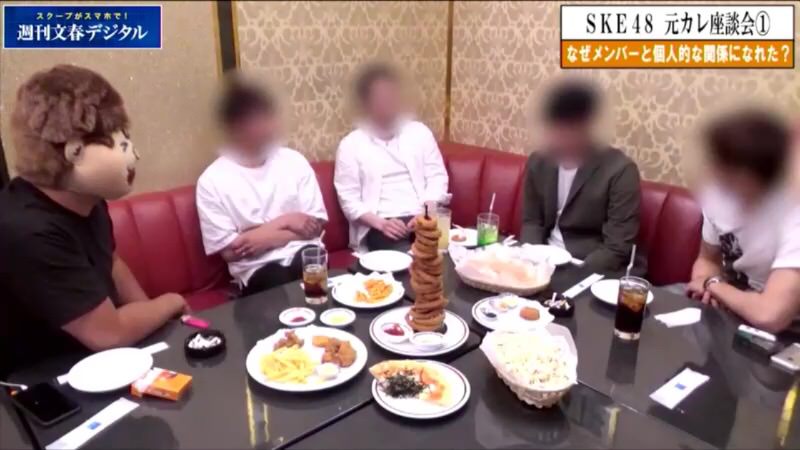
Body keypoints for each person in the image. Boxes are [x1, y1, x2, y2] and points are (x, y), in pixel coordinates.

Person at [0, 65, 188, 377]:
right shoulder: (27, 229)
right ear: (73, 151)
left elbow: (111, 260)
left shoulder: (86, 197)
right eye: (121, 144)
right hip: (43, 380)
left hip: (101, 361)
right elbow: (108, 334)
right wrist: (171, 301)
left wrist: (155, 319)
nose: (134, 156)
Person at [197, 76, 327, 295]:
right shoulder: (211, 181)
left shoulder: (294, 161)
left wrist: (262, 238)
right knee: (276, 280)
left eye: (269, 116)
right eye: (258, 118)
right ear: (235, 126)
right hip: (256, 267)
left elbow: (316, 227)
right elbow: (231, 252)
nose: (270, 125)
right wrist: (288, 220)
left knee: (311, 267)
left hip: (304, 252)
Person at [687, 109, 800, 333]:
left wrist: (713, 285)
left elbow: (770, 315)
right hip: (728, 308)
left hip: (784, 331)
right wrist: (706, 284)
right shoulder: (717, 197)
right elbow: (707, 259)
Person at [520, 81, 644, 275]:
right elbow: (532, 222)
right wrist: (532, 259)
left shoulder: (620, 170)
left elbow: (616, 248)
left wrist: (574, 275)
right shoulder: (539, 162)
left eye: (571, 129)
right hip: (545, 262)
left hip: (590, 267)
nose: (562, 138)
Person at [334, 63, 448, 252]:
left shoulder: (420, 132)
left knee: (446, 252)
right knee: (407, 258)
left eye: (392, 96)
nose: (388, 103)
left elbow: (437, 178)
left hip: (423, 216)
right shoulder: (350, 145)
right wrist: (381, 224)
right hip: (381, 223)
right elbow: (349, 200)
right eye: (380, 98)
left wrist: (426, 213)